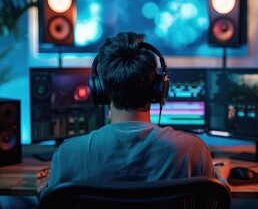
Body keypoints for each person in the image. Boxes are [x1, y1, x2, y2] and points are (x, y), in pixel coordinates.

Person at [36, 32, 229, 198]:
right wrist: (220, 177)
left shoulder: (68, 154)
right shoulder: (192, 151)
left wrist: (43, 185)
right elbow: (215, 198)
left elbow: (49, 201)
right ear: (159, 89)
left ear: (100, 90)